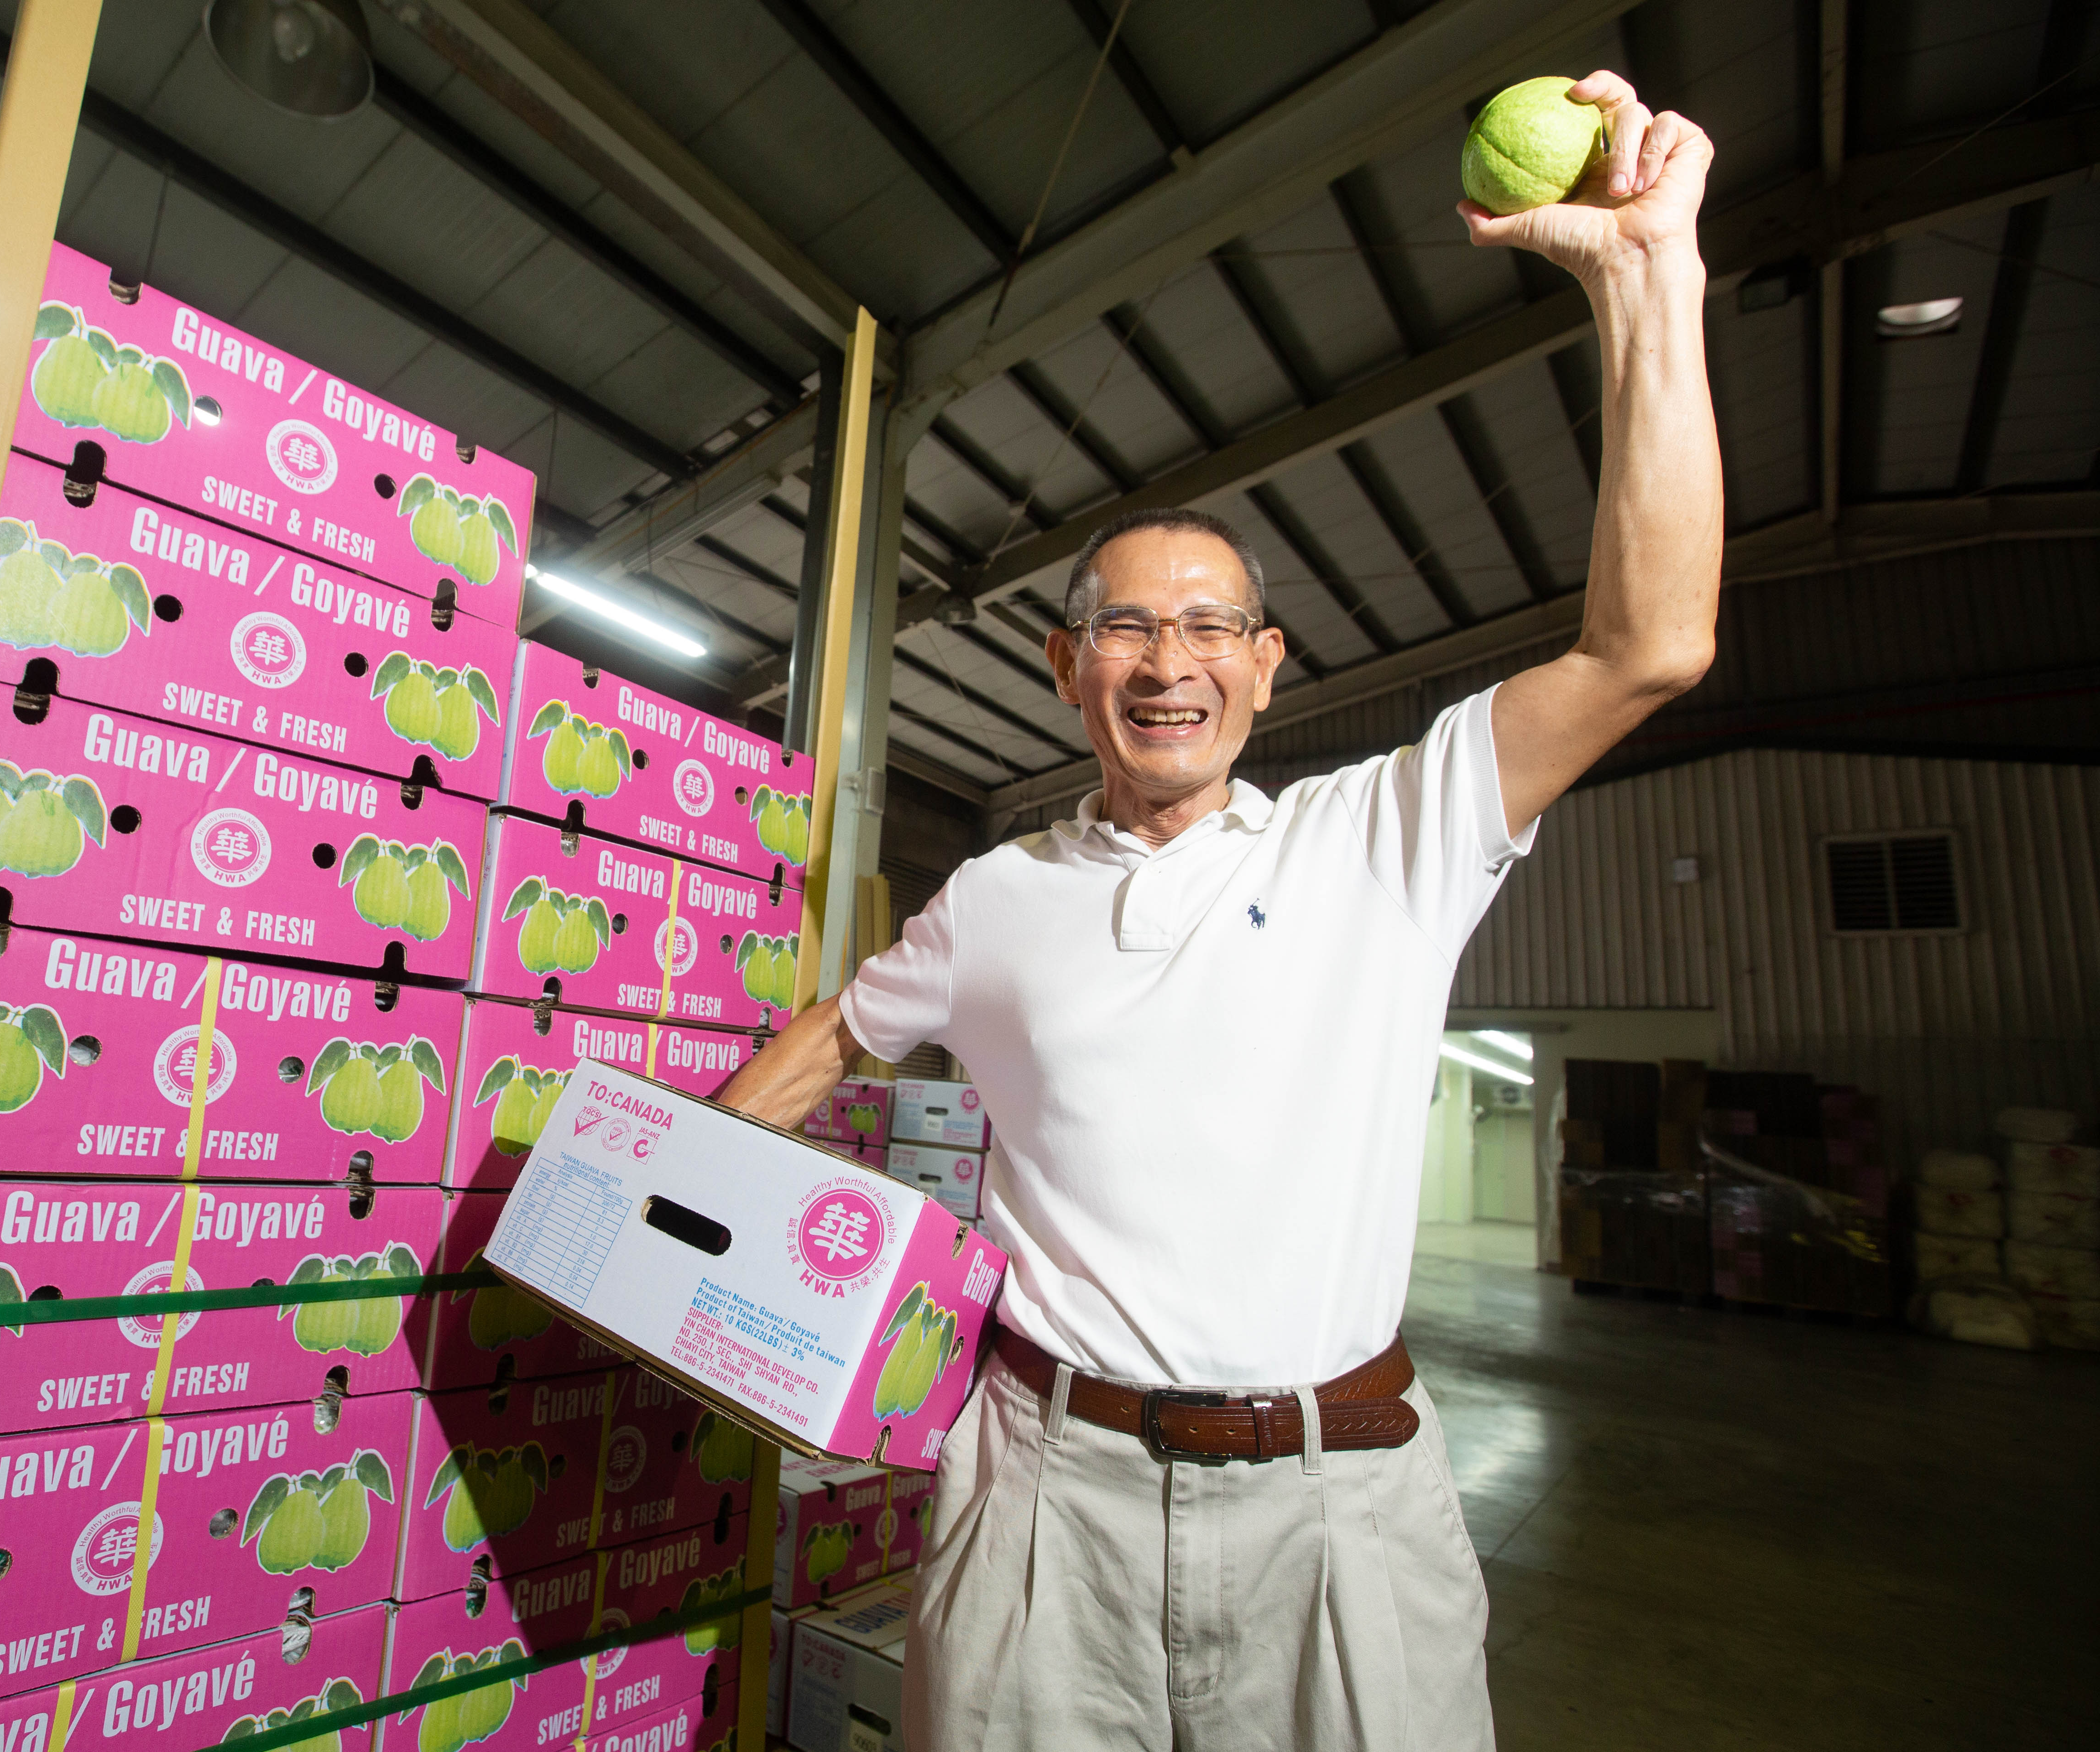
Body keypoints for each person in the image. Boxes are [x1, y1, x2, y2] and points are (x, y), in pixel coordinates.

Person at [716, 73, 1719, 1752]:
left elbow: (1649, 646)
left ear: (1264, 667)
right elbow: (835, 1032)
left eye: (1206, 629)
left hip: (1337, 1513)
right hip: (1038, 1498)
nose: (1163, 662)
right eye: (1120, 629)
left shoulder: (1381, 834)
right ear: (1061, 669)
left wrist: (1643, 278)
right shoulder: (991, 898)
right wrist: (665, 1204)